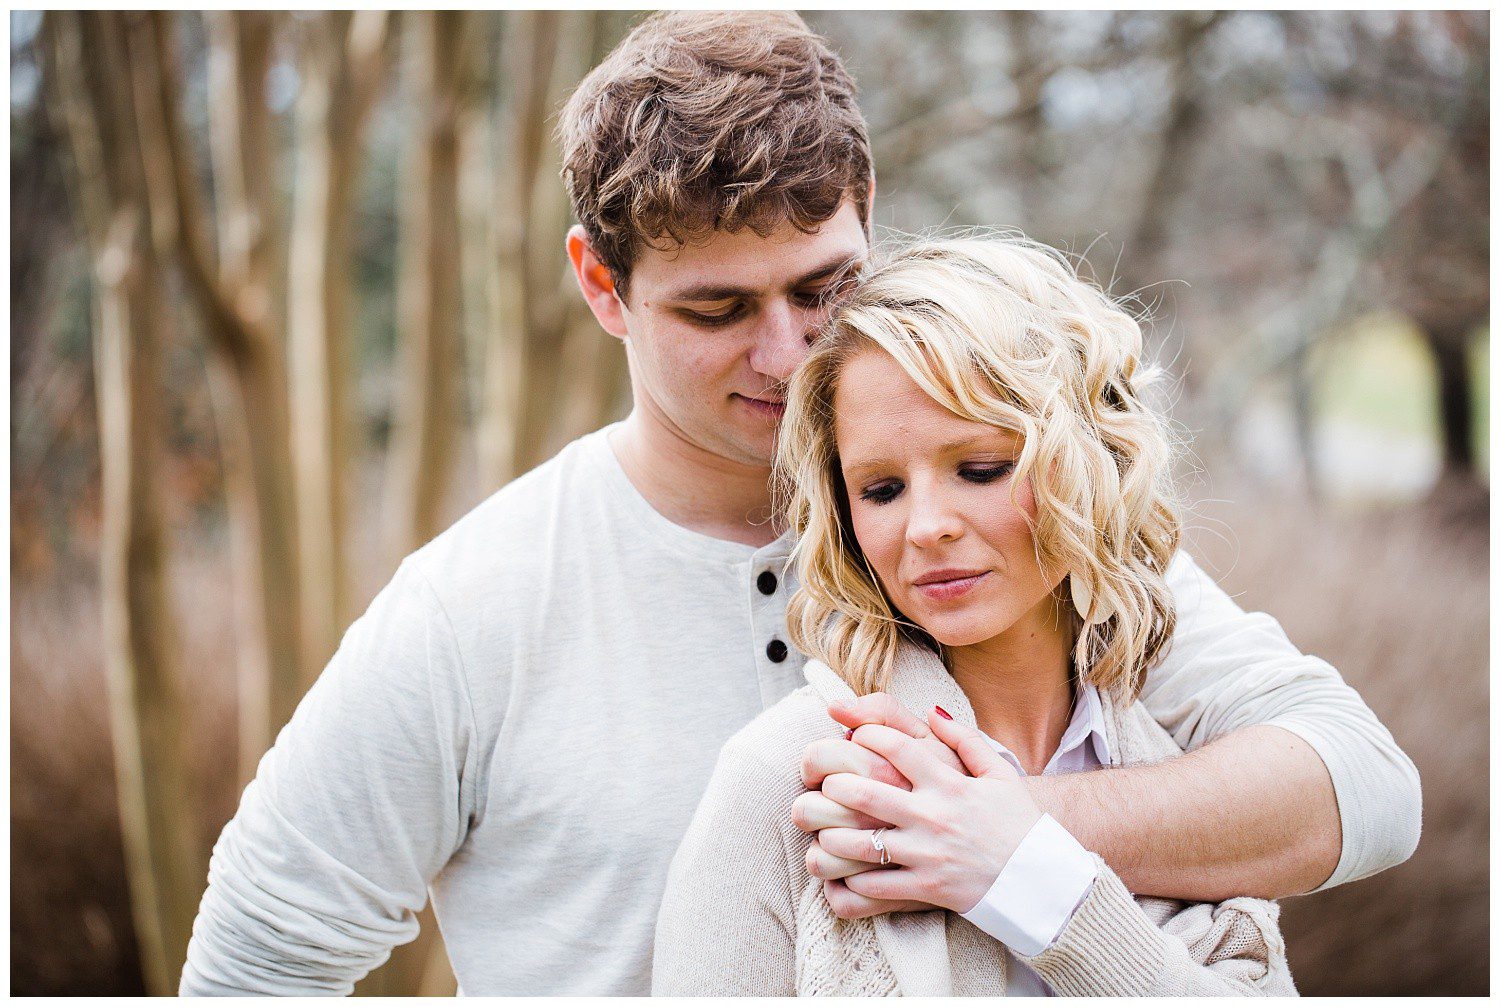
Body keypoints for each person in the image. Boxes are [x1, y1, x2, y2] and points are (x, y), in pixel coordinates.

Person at [179, 12, 1418, 996]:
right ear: (600, 284)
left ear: (868, 217)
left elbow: (1365, 789)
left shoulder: (1019, 541)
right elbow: (250, 965)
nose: (787, 354)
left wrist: (1005, 832)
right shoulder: (479, 604)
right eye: (717, 311)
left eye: (824, 286)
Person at [653, 235, 1300, 995]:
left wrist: (1034, 881)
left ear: (1087, 465)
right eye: (881, 489)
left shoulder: (1183, 773)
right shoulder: (786, 783)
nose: (926, 526)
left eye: (981, 469)